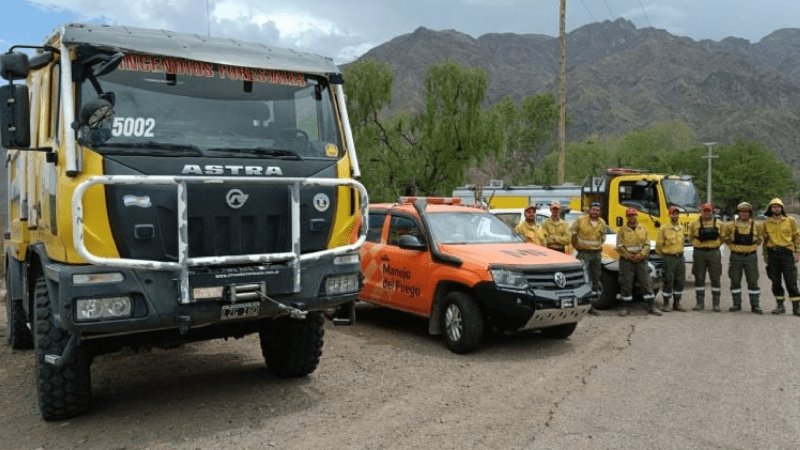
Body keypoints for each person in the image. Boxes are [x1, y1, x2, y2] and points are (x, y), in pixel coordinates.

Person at [616, 207, 661, 316]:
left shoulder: (643, 229)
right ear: (627, 217)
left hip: (641, 261)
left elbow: (647, 244)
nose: (632, 217)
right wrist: (629, 256)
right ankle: (625, 308)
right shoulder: (622, 230)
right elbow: (619, 246)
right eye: (629, 215)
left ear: (637, 216)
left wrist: (640, 255)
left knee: (646, 283)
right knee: (626, 284)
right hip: (627, 261)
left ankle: (651, 307)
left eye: (633, 215)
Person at [722, 202, 764, 313]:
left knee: (753, 281)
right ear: (738, 213)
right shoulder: (731, 225)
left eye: (746, 211)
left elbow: (760, 239)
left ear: (750, 213)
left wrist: (752, 247)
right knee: (735, 280)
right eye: (741, 211)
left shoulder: (757, 225)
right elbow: (725, 238)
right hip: (736, 256)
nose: (744, 214)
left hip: (751, 256)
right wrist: (732, 247)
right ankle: (736, 304)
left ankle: (755, 305)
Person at [762, 197, 800, 316]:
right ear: (771, 209)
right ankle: (780, 306)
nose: (776, 208)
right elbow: (765, 239)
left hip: (786, 254)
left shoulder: (790, 221)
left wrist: (798, 251)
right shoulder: (767, 222)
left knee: (791, 281)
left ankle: (796, 308)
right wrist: (765, 254)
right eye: (773, 207)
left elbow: (797, 236)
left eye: (778, 206)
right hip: (773, 254)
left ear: (781, 208)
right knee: (775, 281)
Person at [571, 201, 607, 314]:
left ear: (599, 211)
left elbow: (603, 238)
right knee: (584, 279)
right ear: (589, 210)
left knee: (595, 279)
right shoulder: (580, 220)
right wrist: (579, 247)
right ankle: (581, 304)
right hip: (583, 253)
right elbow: (573, 235)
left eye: (597, 210)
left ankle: (591, 305)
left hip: (596, 254)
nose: (595, 212)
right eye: (593, 209)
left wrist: (596, 246)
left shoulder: (602, 222)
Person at [690, 203, 723, 311]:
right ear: (701, 211)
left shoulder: (719, 223)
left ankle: (716, 304)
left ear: (712, 211)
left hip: (714, 252)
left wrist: (715, 245)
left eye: (709, 210)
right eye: (705, 210)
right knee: (699, 278)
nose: (706, 213)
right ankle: (699, 303)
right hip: (699, 253)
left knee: (715, 278)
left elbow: (723, 237)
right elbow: (691, 237)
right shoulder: (694, 224)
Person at [655, 206, 686, 312]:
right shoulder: (664, 228)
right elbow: (659, 245)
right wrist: (665, 256)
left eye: (676, 214)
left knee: (680, 281)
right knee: (668, 280)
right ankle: (666, 303)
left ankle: (677, 303)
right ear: (669, 215)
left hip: (680, 258)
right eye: (673, 214)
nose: (675, 216)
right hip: (669, 258)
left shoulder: (681, 228)